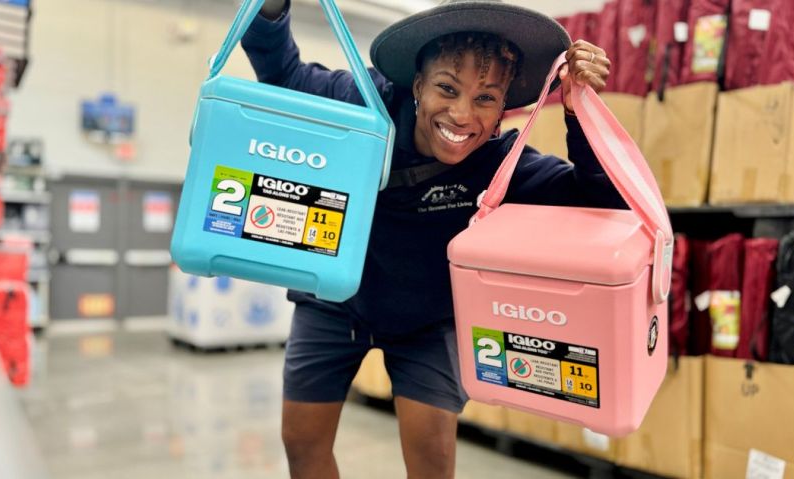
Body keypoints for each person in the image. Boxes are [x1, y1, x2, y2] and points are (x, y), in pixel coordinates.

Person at [241, 0, 626, 477]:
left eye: (486, 98)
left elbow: (601, 205)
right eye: (447, 88)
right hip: (334, 303)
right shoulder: (365, 103)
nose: (462, 114)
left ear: (505, 105)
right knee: (301, 442)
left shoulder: (504, 166)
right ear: (417, 85)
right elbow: (284, 75)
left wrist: (578, 112)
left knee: (431, 461)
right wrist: (272, 9)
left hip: (430, 322)